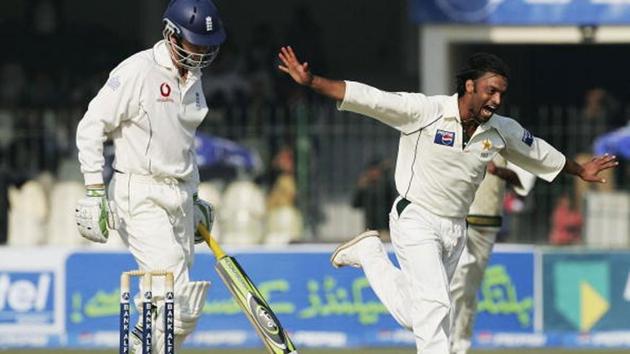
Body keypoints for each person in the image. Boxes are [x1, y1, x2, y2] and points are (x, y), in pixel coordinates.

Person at [277, 46, 618, 354]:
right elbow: (372, 99)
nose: (497, 100)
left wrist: (580, 169)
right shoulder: (426, 111)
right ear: (470, 86)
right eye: (491, 90)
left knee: (418, 314)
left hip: (456, 228)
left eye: (501, 93)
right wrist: (312, 82)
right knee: (437, 306)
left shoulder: (501, 129)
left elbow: (538, 151)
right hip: (415, 217)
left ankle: (369, 255)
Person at [74, 0, 225, 352]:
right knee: (174, 288)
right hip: (139, 191)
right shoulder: (138, 71)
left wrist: (194, 195)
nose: (201, 52)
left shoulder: (195, 79)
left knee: (173, 307)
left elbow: (183, 145)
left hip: (179, 194)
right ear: (172, 35)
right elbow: (91, 126)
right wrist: (95, 189)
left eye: (207, 45)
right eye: (194, 43)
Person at [449, 156, 536, 354]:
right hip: (458, 217)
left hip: (488, 222)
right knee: (457, 279)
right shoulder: (455, 130)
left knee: (470, 289)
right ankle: (442, 343)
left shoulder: (504, 138)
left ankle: (461, 345)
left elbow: (522, 182)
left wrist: (497, 171)